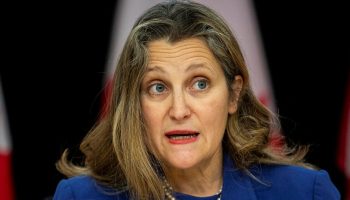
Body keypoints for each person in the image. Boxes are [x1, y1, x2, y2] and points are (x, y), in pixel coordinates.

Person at [52, 0, 340, 199]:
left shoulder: (305, 193)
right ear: (135, 105)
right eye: (157, 87)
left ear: (234, 95)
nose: (179, 110)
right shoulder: (80, 196)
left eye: (199, 84)